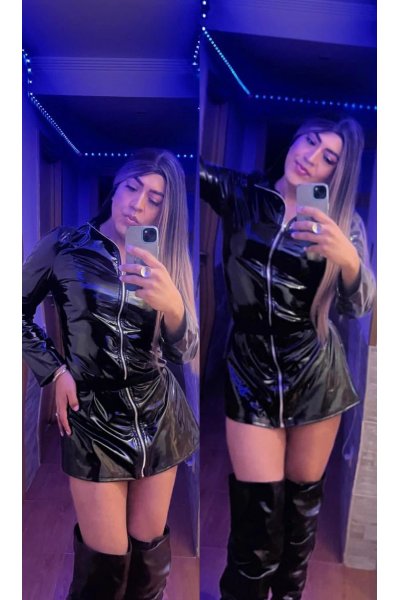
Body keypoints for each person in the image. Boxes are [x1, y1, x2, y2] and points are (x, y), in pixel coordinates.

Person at [200, 116, 375, 600]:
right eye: (310, 141)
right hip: (250, 370)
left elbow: (357, 307)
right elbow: (182, 172)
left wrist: (348, 258)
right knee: (256, 527)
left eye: (328, 158)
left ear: (337, 173)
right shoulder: (242, 194)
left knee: (299, 523)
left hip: (317, 375)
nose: (311, 158)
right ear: (295, 138)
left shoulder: (344, 222)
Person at [22, 148, 199, 600]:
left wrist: (174, 307)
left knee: (149, 566)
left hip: (158, 415)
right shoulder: (64, 246)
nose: (138, 205)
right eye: (132, 188)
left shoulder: (167, 259)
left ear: (166, 210)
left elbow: (184, 350)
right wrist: (53, 370)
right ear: (115, 188)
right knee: (104, 571)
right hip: (93, 416)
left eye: (155, 199)